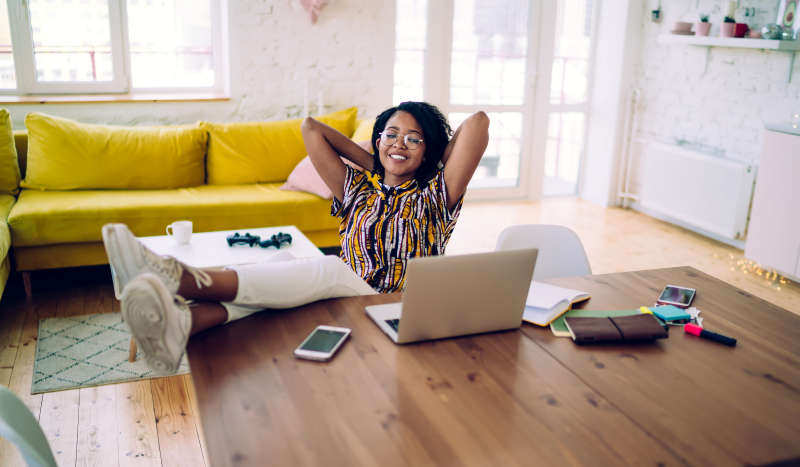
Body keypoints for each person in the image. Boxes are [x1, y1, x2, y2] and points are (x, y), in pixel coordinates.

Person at [103, 102, 489, 375]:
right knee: (281, 266)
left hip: (394, 304)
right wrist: (377, 159)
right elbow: (310, 128)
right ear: (376, 141)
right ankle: (184, 323)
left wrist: (424, 158)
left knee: (326, 266)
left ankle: (181, 277)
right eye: (391, 134)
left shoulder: (436, 196)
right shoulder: (356, 189)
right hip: (347, 295)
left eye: (413, 139)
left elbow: (478, 123)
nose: (399, 143)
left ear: (429, 153)